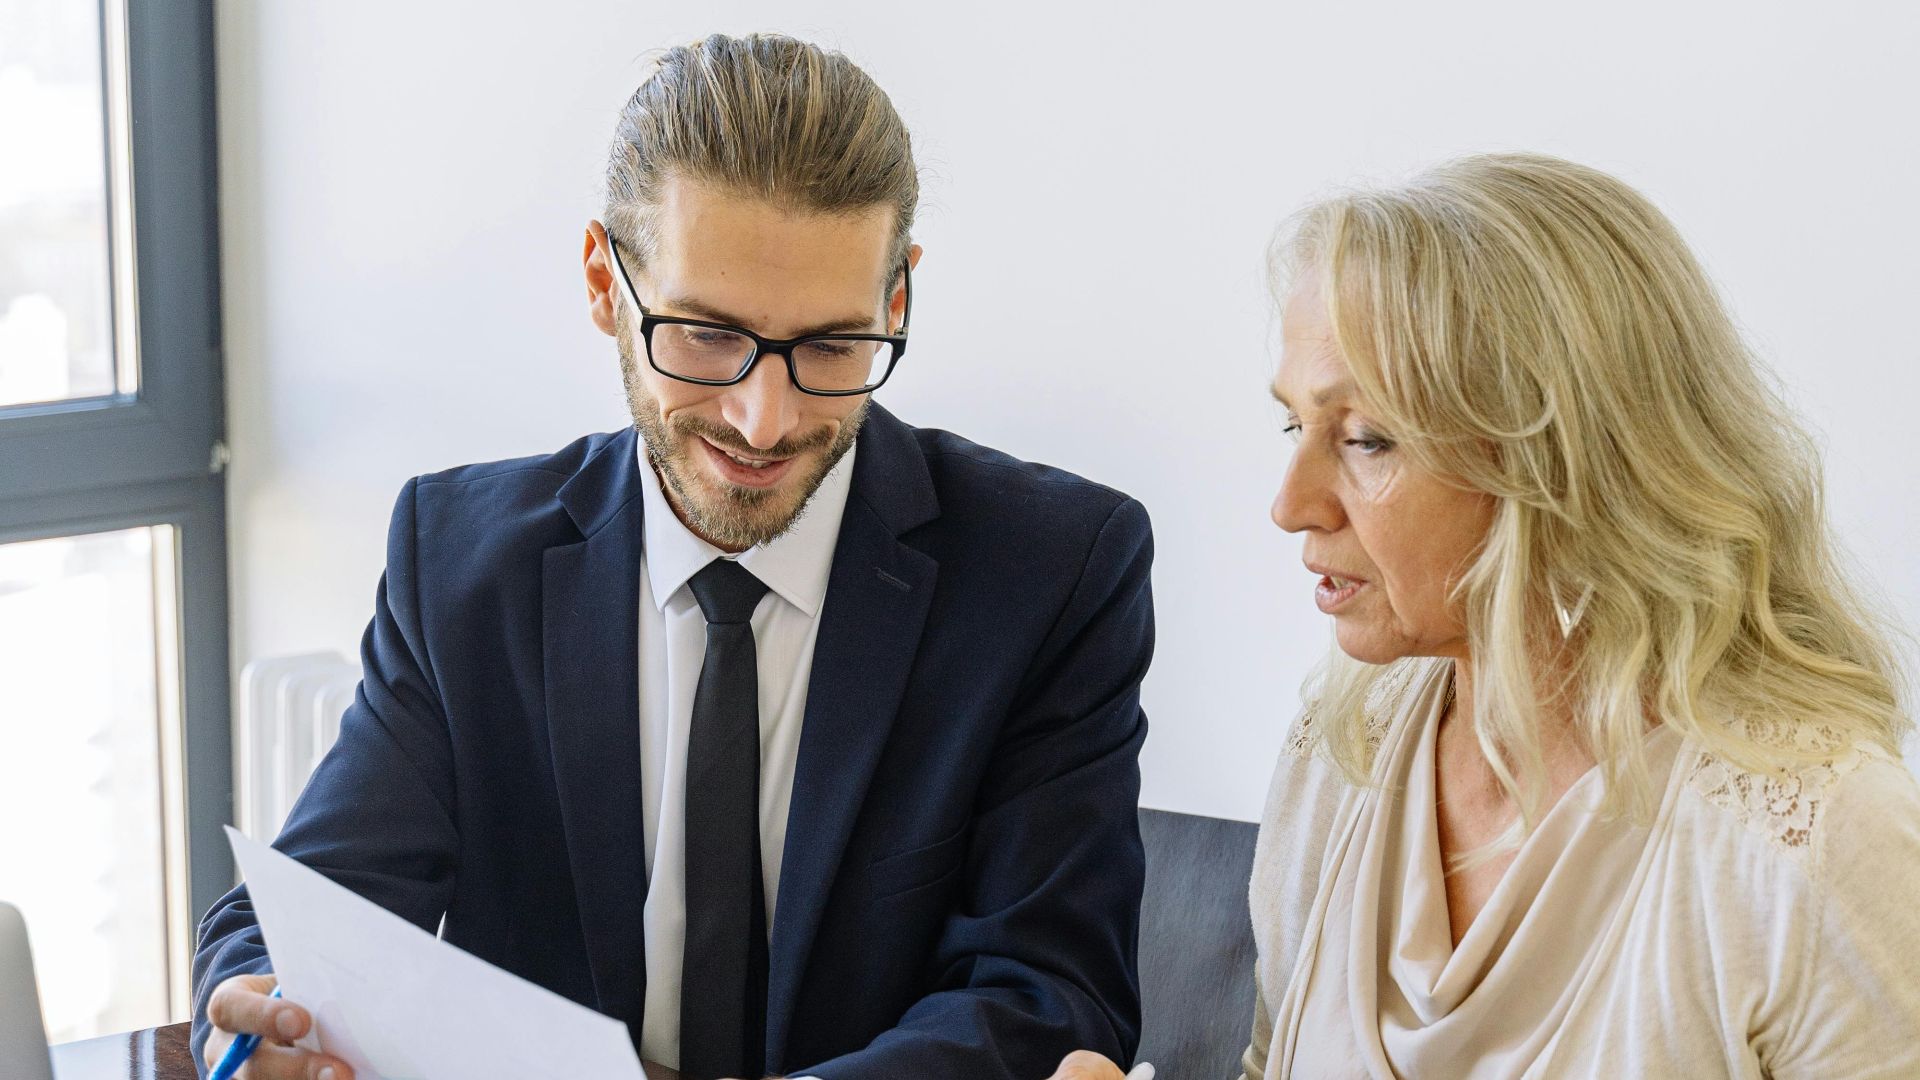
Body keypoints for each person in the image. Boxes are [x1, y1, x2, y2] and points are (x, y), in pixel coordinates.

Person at [194, 33, 1153, 1080]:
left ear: (898, 301)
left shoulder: (1053, 573)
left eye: (832, 347)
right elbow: (305, 917)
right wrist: (261, 1018)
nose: (765, 417)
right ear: (607, 282)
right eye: (703, 335)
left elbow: (1052, 997)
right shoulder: (463, 565)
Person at [1049, 154, 1920, 1079]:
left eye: (1365, 439)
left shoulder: (1824, 844)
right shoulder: (1342, 747)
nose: (1292, 503)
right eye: (1293, 427)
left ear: (1563, 466)